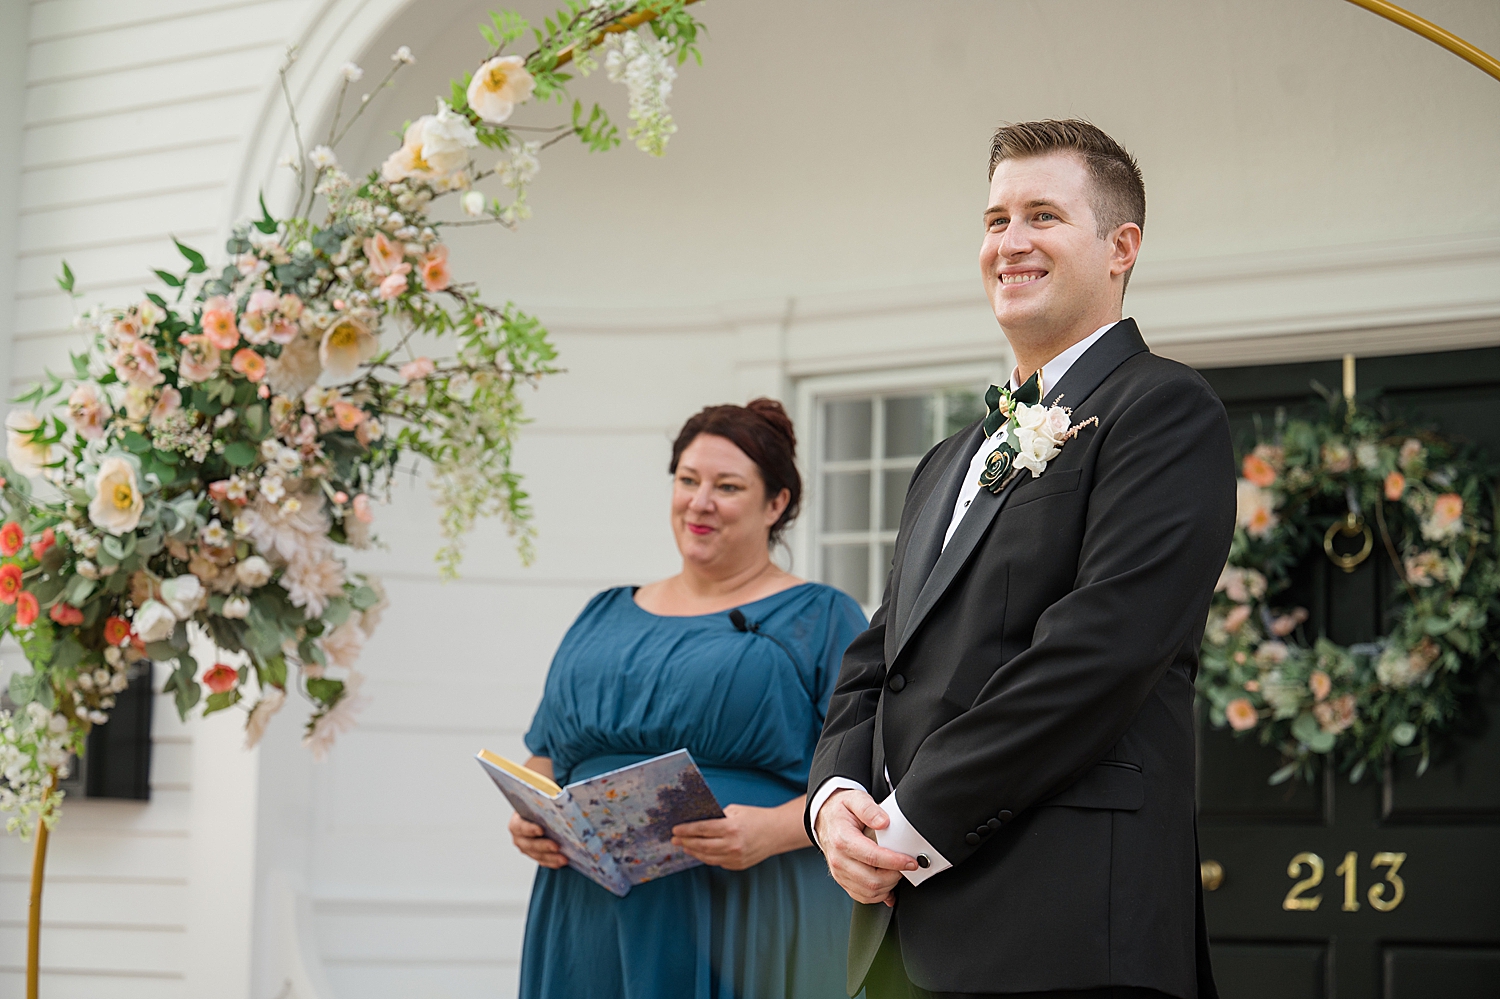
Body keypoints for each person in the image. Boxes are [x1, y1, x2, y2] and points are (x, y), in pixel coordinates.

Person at [807, 120, 1235, 999]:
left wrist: (912, 821)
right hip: (896, 940)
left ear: (1122, 247)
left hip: (1064, 932)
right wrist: (836, 799)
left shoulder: (1163, 409)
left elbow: (1097, 654)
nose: (1011, 242)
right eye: (996, 218)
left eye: (1043, 215)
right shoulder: (948, 459)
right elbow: (880, 662)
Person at [512, 398, 869, 999]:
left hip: (742, 907)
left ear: (776, 503)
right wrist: (533, 818)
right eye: (687, 480)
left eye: (727, 486)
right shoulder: (601, 614)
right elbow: (546, 756)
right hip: (587, 909)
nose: (699, 502)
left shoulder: (818, 615)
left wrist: (772, 832)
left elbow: (865, 771)